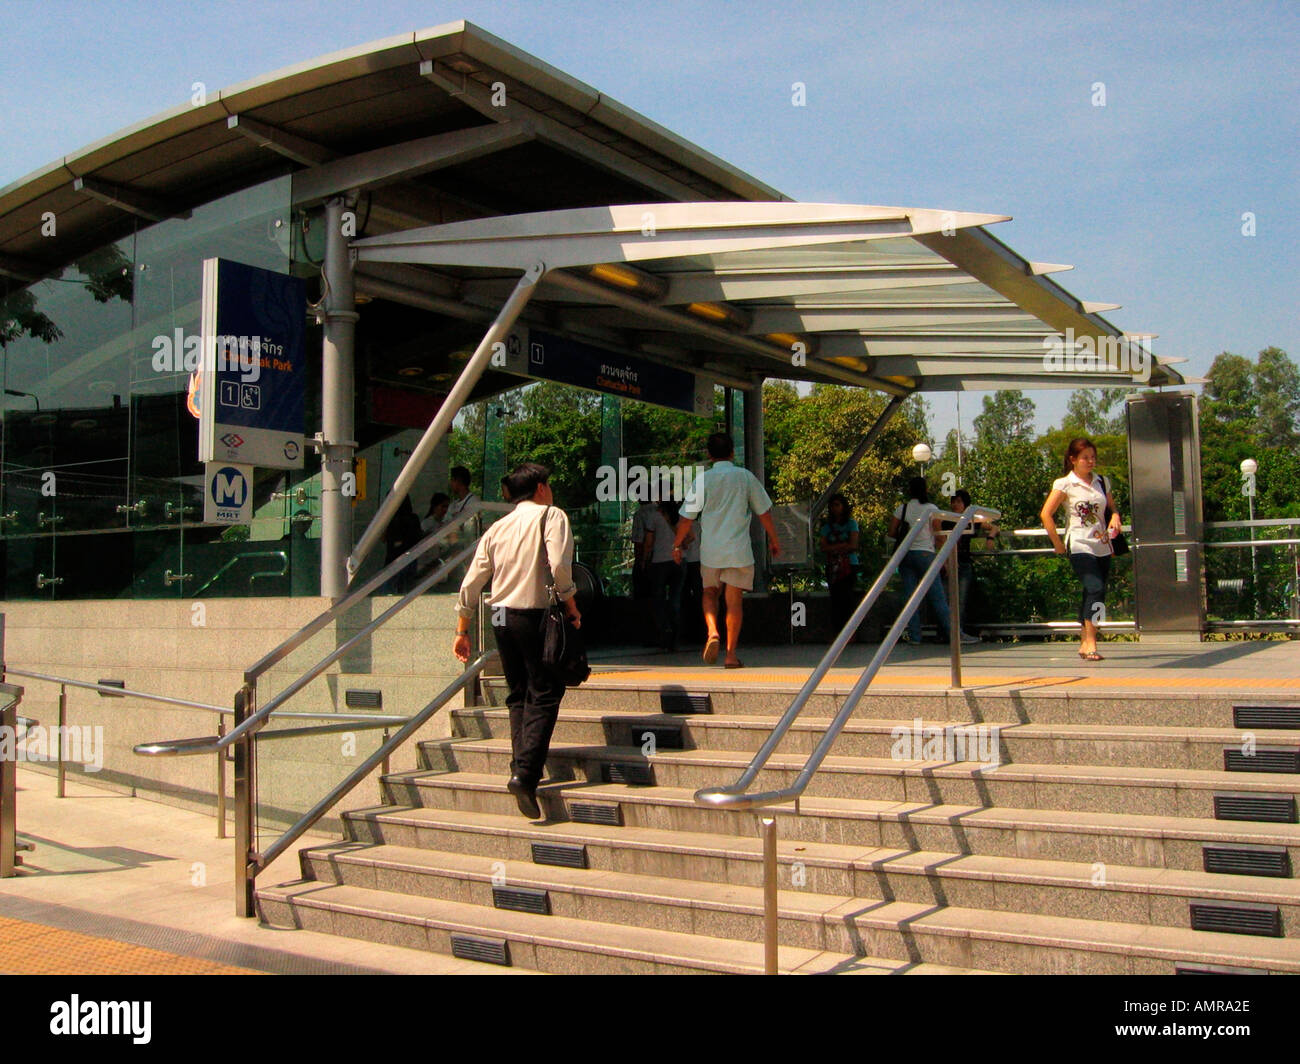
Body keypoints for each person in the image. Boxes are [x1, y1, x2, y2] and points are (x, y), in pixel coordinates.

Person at [453, 462, 581, 818]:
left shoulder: (498, 526)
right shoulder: (551, 516)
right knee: (545, 691)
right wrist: (571, 602)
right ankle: (524, 775)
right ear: (541, 488)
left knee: (518, 693)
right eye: (549, 485)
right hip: (534, 614)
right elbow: (558, 566)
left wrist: (462, 630)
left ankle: (519, 766)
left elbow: (471, 583)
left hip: (500, 619)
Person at [674, 432, 781, 668]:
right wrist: (774, 540)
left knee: (709, 593)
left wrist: (677, 544)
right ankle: (731, 655)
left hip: (711, 550)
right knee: (734, 601)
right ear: (732, 452)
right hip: (738, 550)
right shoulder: (745, 477)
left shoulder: (703, 480)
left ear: (709, 454)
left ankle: (712, 631)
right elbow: (764, 512)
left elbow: (685, 518)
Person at [1040, 437, 1121, 661]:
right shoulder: (1064, 484)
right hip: (1079, 542)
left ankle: (1084, 640)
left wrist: (1115, 517)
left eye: (1093, 457)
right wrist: (1057, 542)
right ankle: (1093, 642)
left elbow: (1112, 508)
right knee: (1095, 588)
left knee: (1093, 591)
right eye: (1085, 457)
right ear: (1073, 459)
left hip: (1102, 544)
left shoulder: (1102, 482)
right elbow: (1046, 514)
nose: (1090, 461)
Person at [887, 477, 954, 645]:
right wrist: (944, 560)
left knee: (910, 597)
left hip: (905, 554)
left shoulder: (902, 509)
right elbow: (938, 536)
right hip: (926, 553)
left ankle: (914, 635)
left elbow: (892, 532)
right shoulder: (931, 509)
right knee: (937, 597)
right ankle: (953, 634)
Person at [941, 489, 997, 643]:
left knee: (961, 600)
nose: (955, 504)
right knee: (947, 599)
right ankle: (948, 633)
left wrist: (990, 538)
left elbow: (993, 526)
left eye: (959, 501)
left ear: (965, 504)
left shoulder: (971, 520)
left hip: (964, 562)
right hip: (949, 563)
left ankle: (958, 633)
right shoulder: (947, 519)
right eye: (953, 501)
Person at [642, 499, 686, 651]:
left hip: (659, 562)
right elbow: (690, 538)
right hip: (679, 561)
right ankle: (676, 635)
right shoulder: (681, 515)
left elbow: (648, 542)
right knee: (675, 599)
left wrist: (643, 560)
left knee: (658, 600)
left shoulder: (654, 516)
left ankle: (664, 630)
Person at [819, 493, 860, 636]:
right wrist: (842, 545)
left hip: (849, 565)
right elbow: (823, 547)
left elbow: (853, 545)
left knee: (847, 598)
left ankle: (851, 633)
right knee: (835, 599)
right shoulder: (826, 527)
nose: (835, 508)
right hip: (833, 566)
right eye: (832, 505)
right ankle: (837, 632)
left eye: (838, 505)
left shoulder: (851, 523)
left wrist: (836, 547)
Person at [382, 495, 424, 594]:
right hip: (410, 558)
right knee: (407, 589)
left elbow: (383, 538)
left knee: (388, 589)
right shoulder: (413, 518)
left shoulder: (391, 519)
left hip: (393, 559)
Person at [630, 498, 658, 601]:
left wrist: (640, 561)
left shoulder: (640, 514)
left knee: (641, 590)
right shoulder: (660, 511)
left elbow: (639, 540)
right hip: (661, 556)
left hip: (646, 556)